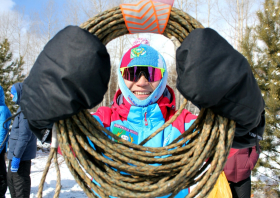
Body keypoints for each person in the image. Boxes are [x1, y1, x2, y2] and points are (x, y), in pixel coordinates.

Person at [18, 26, 265, 197]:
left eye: (151, 73)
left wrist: (244, 107)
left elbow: (234, 140)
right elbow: (56, 134)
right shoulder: (100, 123)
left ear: (163, 77)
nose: (142, 82)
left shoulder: (186, 124)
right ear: (122, 77)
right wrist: (40, 103)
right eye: (133, 73)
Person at [7, 83, 37, 198]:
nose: (10, 96)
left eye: (13, 93)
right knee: (12, 184)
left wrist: (17, 157)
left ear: (20, 94)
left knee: (20, 189)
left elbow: (24, 136)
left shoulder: (26, 110)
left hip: (21, 157)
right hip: (15, 155)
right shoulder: (22, 108)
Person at [0, 85, 12, 198]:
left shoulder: (2, 109)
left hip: (0, 146)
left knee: (0, 173)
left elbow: (3, 130)